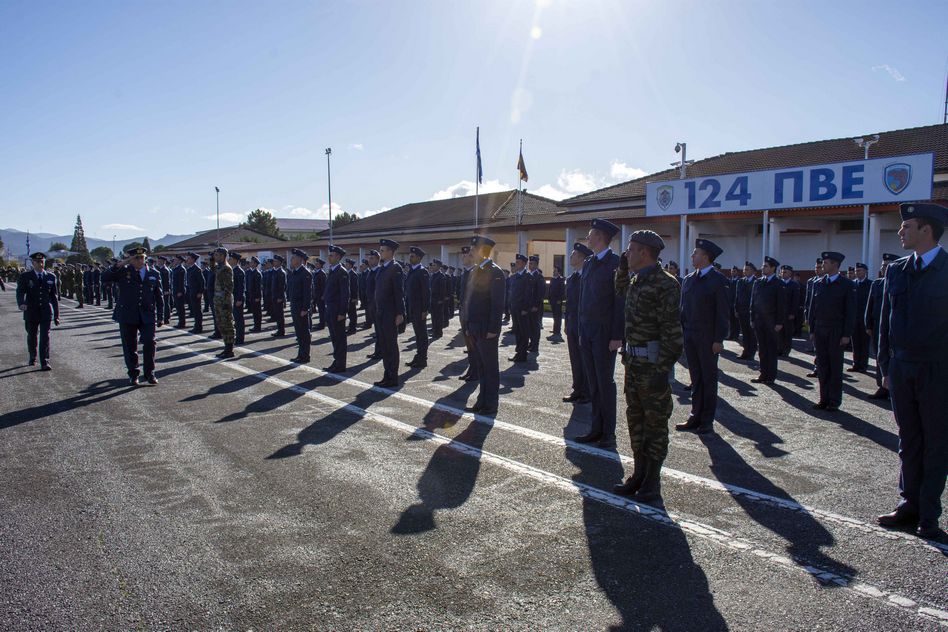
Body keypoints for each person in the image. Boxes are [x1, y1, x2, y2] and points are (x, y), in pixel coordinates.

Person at [877, 202, 948, 541]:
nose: (901, 232)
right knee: (909, 440)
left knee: (936, 442)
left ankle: (929, 512)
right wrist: (884, 365)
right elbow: (885, 322)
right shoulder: (897, 270)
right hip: (902, 366)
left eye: (908, 226)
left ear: (927, 230)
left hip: (938, 367)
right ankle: (909, 503)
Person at [612, 230, 683, 505]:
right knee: (635, 421)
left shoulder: (666, 284)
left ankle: (652, 482)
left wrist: (662, 370)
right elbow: (619, 290)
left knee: (655, 425)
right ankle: (638, 475)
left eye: (630, 249)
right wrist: (621, 267)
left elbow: (673, 333)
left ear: (644, 252)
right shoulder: (634, 279)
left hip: (652, 366)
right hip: (634, 362)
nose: (627, 253)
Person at [574, 219, 624, 449]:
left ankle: (608, 433)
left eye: (591, 233)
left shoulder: (616, 264)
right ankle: (596, 428)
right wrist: (581, 329)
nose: (588, 237)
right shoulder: (591, 262)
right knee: (593, 383)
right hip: (588, 331)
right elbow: (584, 299)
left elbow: (619, 302)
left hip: (605, 334)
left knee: (605, 382)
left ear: (601, 236)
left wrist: (617, 335)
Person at [676, 239, 729, 434]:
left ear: (706, 257)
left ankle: (706, 420)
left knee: (708, 379)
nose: (692, 256)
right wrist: (680, 334)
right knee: (695, 378)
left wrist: (719, 339)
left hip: (708, 338)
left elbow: (722, 313)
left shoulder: (718, 281)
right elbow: (683, 310)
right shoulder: (689, 279)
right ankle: (694, 416)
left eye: (695, 253)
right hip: (690, 335)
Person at [101, 247, 163, 385]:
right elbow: (104, 277)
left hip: (147, 314)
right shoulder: (123, 271)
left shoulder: (154, 273)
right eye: (136, 258)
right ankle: (133, 373)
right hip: (127, 313)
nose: (140, 260)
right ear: (131, 259)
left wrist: (161, 315)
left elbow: (159, 296)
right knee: (130, 346)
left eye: (142, 257)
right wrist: (120, 264)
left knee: (149, 342)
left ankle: (150, 373)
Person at [462, 235, 506, 416]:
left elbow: (497, 304)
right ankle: (482, 400)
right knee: (480, 366)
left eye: (474, 248)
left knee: (490, 368)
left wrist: (493, 329)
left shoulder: (495, 272)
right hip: (474, 326)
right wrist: (466, 325)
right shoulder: (474, 271)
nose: (471, 251)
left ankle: (491, 403)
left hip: (486, 328)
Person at [807, 251, 856, 411]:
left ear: (835, 265)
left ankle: (834, 400)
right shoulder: (819, 283)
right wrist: (812, 330)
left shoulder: (847, 285)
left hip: (836, 330)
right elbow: (812, 309)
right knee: (822, 365)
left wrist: (846, 334)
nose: (823, 265)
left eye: (826, 263)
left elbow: (850, 312)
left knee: (835, 366)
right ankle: (823, 398)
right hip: (820, 329)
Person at [16, 252, 59, 370]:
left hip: (46, 311)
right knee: (32, 335)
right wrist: (21, 303)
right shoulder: (26, 276)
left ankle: (45, 361)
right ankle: (32, 356)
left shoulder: (51, 277)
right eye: (38, 262)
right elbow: (20, 291)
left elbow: (54, 297)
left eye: (42, 261)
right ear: (33, 263)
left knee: (45, 337)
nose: (40, 264)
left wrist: (56, 315)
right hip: (31, 311)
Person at [865, 253, 898, 400]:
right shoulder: (877, 284)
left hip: (894, 328)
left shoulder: (899, 282)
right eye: (883, 265)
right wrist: (868, 324)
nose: (884, 268)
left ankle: (894, 388)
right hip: (878, 327)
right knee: (880, 356)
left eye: (888, 265)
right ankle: (882, 386)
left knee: (893, 358)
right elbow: (870, 306)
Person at [562, 243, 592, 403]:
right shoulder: (572, 278)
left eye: (574, 255)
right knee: (575, 358)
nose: (571, 257)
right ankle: (577, 389)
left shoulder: (587, 277)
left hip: (583, 325)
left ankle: (587, 392)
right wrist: (566, 322)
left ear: (581, 258)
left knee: (584, 359)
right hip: (573, 324)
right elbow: (569, 303)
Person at [374, 239, 406, 385]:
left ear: (391, 252)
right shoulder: (382, 268)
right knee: (384, 344)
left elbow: (399, 292)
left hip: (390, 312)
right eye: (380, 250)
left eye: (383, 250)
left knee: (391, 345)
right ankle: (387, 374)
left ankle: (393, 377)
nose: (380, 252)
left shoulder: (395, 268)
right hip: (381, 311)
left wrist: (400, 313)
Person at [750, 256, 785, 384]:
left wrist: (779, 322)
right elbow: (753, 302)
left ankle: (770, 376)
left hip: (772, 322)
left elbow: (781, 305)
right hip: (759, 321)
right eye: (763, 266)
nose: (762, 268)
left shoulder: (778, 284)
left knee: (771, 349)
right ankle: (763, 374)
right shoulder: (758, 282)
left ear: (773, 268)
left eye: (765, 266)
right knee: (762, 350)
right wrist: (752, 318)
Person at [323, 246, 350, 373]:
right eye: (329, 255)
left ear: (338, 257)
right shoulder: (332, 270)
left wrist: (342, 312)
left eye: (332, 255)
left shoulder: (342, 272)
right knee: (334, 337)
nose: (329, 257)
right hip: (330, 309)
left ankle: (340, 364)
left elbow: (345, 294)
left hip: (337, 310)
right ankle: (336, 361)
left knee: (339, 337)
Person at [404, 246, 431, 368]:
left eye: (413, 256)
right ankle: (418, 356)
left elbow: (426, 292)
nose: (410, 257)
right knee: (418, 334)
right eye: (410, 255)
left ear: (419, 258)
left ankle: (422, 358)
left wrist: (425, 309)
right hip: (412, 307)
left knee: (421, 334)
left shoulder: (422, 271)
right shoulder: (412, 270)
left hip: (420, 308)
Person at [285, 249, 312, 363]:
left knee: (304, 332)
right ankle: (300, 354)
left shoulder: (305, 273)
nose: (291, 259)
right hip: (295, 305)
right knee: (299, 332)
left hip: (301, 307)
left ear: (300, 260)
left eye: (293, 258)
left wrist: (305, 308)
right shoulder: (294, 272)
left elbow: (308, 292)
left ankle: (305, 355)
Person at [457, 246, 479, 382]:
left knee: (474, 344)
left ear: (471, 257)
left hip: (471, 313)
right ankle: (472, 369)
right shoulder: (465, 273)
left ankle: (475, 371)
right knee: (469, 344)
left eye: (465, 255)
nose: (462, 258)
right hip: (464, 312)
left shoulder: (476, 272)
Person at [507, 254, 532, 363]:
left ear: (523, 263)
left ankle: (522, 354)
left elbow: (528, 294)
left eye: (518, 262)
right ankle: (519, 352)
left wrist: (525, 308)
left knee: (523, 332)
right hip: (515, 308)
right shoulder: (515, 277)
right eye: (516, 262)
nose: (516, 264)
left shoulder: (528, 276)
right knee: (518, 332)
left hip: (522, 310)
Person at [849, 262, 871, 372]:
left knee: (864, 343)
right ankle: (856, 363)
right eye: (856, 271)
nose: (857, 273)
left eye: (860, 270)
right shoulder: (852, 284)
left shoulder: (870, 284)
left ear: (866, 271)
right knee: (855, 342)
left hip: (865, 319)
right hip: (854, 318)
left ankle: (863, 365)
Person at [734, 261, 758, 360]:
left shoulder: (757, 281)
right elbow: (737, 296)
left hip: (751, 312)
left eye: (747, 269)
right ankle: (745, 351)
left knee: (752, 333)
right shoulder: (740, 281)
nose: (745, 271)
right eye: (744, 270)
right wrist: (736, 309)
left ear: (753, 271)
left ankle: (751, 352)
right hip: (742, 311)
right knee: (744, 333)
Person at [778, 265, 801, 356]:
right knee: (779, 333)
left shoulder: (794, 285)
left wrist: (792, 313)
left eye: (785, 272)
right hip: (779, 313)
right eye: (782, 272)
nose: (783, 273)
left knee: (787, 333)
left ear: (790, 273)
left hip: (788, 313)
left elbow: (795, 300)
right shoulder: (778, 283)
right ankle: (779, 349)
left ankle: (786, 350)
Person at [526, 255, 544, 354]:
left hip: (535, 307)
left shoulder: (539, 276)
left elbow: (540, 293)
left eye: (532, 263)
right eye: (529, 263)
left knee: (535, 326)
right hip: (528, 306)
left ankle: (535, 345)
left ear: (536, 265)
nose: (530, 265)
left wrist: (536, 306)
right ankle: (531, 343)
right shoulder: (529, 275)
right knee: (529, 326)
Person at [185, 252, 205, 333]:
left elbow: (202, 282)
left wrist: (200, 292)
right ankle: (196, 326)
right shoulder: (190, 269)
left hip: (196, 293)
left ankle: (198, 327)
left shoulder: (197, 269)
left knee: (197, 311)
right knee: (194, 310)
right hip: (192, 293)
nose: (187, 260)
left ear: (193, 259)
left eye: (189, 258)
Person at [230, 252, 246, 345]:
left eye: (231, 259)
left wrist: (239, 299)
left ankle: (240, 338)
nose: (229, 260)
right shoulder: (233, 270)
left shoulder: (239, 271)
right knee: (235, 318)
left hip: (237, 298)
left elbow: (241, 287)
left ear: (235, 260)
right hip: (233, 298)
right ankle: (238, 336)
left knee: (239, 319)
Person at [428, 259, 447, 339]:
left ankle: (438, 332)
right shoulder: (433, 275)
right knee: (433, 317)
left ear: (439, 267)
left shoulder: (441, 276)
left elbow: (443, 290)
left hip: (438, 300)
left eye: (434, 265)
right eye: (432, 265)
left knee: (438, 317)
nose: (432, 266)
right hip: (432, 299)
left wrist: (441, 300)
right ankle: (434, 330)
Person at [270, 255, 287, 337]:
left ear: (280, 262)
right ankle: (279, 329)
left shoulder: (281, 272)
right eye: (274, 261)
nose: (274, 262)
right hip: (274, 296)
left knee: (280, 314)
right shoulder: (274, 271)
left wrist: (280, 297)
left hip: (278, 297)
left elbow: (282, 286)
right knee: (277, 314)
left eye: (276, 261)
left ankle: (281, 330)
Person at [547, 266, 565, 340]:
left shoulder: (561, 279)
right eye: (553, 270)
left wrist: (560, 299)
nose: (554, 272)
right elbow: (550, 289)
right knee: (554, 315)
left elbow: (562, 291)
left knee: (558, 316)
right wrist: (549, 298)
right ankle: (555, 329)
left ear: (559, 272)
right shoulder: (552, 279)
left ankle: (557, 330)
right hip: (552, 300)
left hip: (557, 300)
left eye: (555, 271)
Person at [312, 257, 327, 332]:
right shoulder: (316, 272)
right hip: (316, 294)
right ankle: (321, 322)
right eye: (316, 263)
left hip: (321, 295)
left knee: (321, 310)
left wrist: (324, 295)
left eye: (317, 263)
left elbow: (324, 286)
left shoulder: (321, 273)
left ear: (320, 265)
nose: (315, 264)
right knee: (319, 309)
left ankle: (322, 324)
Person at [172, 254, 187, 328]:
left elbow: (182, 282)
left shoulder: (181, 269)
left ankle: (182, 323)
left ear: (179, 261)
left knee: (181, 308)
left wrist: (180, 291)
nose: (174, 261)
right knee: (178, 308)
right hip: (175, 290)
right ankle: (180, 322)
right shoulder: (176, 268)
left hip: (179, 291)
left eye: (176, 260)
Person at [344, 258, 359, 334]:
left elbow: (355, 287)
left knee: (352, 314)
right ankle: (351, 327)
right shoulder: (346, 273)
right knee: (349, 313)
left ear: (350, 265)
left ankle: (353, 328)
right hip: (347, 297)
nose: (345, 265)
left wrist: (355, 298)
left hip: (351, 298)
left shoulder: (353, 274)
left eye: (347, 264)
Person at [156, 256, 172, 325]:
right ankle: (164, 318)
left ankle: (166, 318)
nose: (158, 262)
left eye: (160, 261)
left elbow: (167, 281)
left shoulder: (165, 270)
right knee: (163, 304)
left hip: (164, 289)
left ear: (163, 262)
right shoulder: (160, 269)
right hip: (161, 289)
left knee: (165, 304)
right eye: (158, 261)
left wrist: (167, 289)